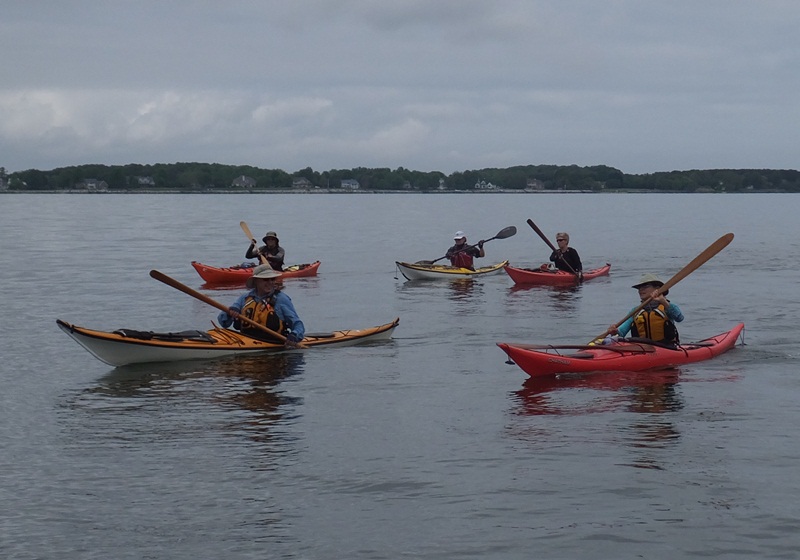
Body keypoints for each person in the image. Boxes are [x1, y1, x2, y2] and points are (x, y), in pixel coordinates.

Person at [217, 265, 304, 347]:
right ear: (256, 281)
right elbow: (224, 323)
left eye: (272, 279)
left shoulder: (281, 299)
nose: (270, 283)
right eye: (265, 279)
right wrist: (229, 313)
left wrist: (294, 335)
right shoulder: (245, 298)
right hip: (245, 340)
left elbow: (298, 324)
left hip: (273, 342)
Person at [610, 273, 684, 345]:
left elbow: (679, 318)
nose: (640, 290)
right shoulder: (635, 311)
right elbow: (622, 332)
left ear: (657, 288)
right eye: (639, 288)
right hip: (642, 349)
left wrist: (663, 301)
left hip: (666, 347)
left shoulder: (667, 306)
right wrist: (615, 331)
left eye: (645, 286)